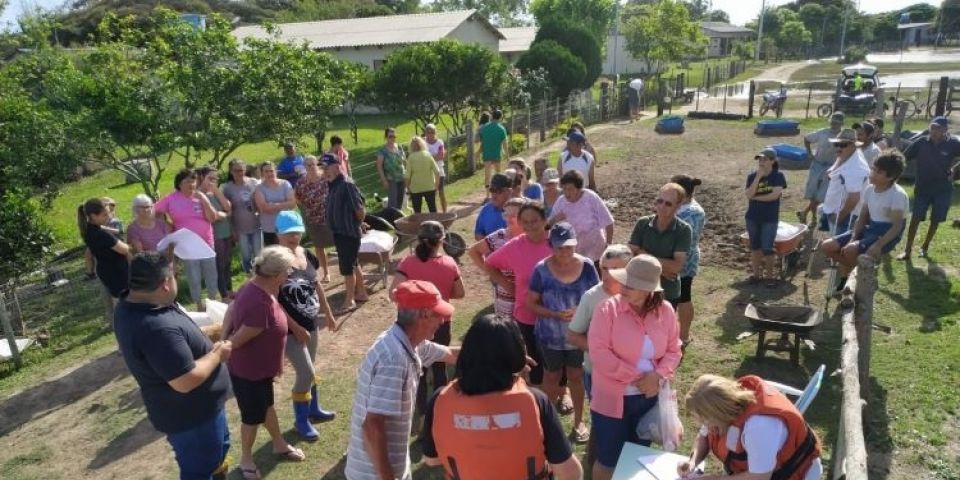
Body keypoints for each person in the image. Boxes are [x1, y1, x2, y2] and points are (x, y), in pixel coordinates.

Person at [420, 315, 583, 480]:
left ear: (467, 351)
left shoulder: (439, 399)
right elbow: (570, 472)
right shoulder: (535, 401)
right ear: (517, 354)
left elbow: (432, 460)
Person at [114, 253, 232, 480]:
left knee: (215, 456)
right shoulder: (156, 329)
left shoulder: (135, 303)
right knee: (199, 469)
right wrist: (217, 354)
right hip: (192, 417)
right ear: (165, 284)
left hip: (199, 410)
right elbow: (185, 380)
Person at [345, 280, 458, 480]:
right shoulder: (394, 359)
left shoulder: (409, 343)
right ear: (423, 314)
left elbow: (451, 354)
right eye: (438, 314)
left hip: (392, 466)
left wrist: (508, 355)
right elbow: (372, 426)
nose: (442, 321)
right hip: (374, 475)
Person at [589, 254, 682, 480]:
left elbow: (674, 349)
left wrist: (658, 376)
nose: (624, 287)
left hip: (648, 399)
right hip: (611, 400)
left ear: (650, 290)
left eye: (633, 284)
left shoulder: (666, 311)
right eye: (625, 280)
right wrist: (640, 378)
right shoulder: (606, 310)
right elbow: (599, 353)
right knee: (608, 459)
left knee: (637, 457)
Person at [222, 245, 305, 479]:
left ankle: (278, 443)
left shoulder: (258, 285)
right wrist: (224, 343)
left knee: (266, 406)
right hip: (249, 371)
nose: (290, 274)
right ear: (277, 274)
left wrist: (223, 336)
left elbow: (231, 307)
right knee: (252, 417)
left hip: (260, 370)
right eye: (288, 270)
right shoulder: (259, 303)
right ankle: (246, 459)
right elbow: (237, 341)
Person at [526, 222, 600, 444]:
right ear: (551, 246)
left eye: (569, 246)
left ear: (576, 244)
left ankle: (579, 421)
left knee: (576, 377)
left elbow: (597, 298)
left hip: (578, 338)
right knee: (551, 377)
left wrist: (581, 311)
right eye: (559, 247)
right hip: (550, 337)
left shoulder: (587, 266)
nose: (565, 252)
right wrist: (554, 315)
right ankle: (544, 421)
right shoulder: (541, 269)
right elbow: (530, 304)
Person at [678, 374, 822, 480]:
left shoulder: (759, 427)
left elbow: (761, 476)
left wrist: (716, 479)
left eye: (704, 419)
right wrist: (692, 461)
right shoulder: (726, 405)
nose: (704, 424)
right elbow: (704, 436)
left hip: (795, 474)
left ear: (718, 413)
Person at [389, 220, 465, 418]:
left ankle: (422, 415)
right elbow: (460, 293)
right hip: (440, 322)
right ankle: (442, 411)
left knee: (418, 369)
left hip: (413, 324)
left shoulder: (407, 263)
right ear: (442, 240)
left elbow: (393, 293)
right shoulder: (450, 263)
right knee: (439, 366)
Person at [274, 211, 338, 441]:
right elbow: (272, 299)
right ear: (279, 234)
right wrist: (295, 327)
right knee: (305, 371)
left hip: (311, 323)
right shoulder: (275, 260)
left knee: (311, 366)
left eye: (297, 232)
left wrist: (328, 313)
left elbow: (316, 285)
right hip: (290, 328)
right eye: (289, 233)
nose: (294, 237)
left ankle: (313, 410)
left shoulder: (306, 254)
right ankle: (300, 422)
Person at [483, 202, 553, 387]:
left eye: (535, 221)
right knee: (535, 359)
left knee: (556, 357)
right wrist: (507, 284)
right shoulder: (515, 246)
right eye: (525, 222)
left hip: (555, 313)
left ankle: (562, 391)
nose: (530, 226)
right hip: (526, 314)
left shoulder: (556, 244)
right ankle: (538, 395)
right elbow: (489, 263)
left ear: (545, 220)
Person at [824, 151, 909, 286]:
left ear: (890, 177)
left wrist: (878, 245)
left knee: (850, 250)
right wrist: (853, 237)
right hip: (870, 227)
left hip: (886, 233)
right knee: (827, 246)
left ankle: (849, 281)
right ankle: (860, 274)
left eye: (878, 172)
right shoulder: (870, 189)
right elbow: (863, 217)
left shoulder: (897, 195)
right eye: (873, 169)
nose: (872, 174)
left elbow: (897, 227)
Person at [155, 168, 219, 309]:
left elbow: (212, 218)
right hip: (187, 246)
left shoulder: (200, 196)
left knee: (211, 274)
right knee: (194, 277)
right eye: (188, 181)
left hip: (206, 242)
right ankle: (198, 304)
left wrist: (204, 200)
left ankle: (213, 301)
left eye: (194, 181)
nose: (192, 184)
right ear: (179, 184)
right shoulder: (170, 199)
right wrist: (168, 226)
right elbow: (155, 212)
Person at [898, 116, 960, 260]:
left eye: (938, 128)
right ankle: (907, 251)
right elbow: (903, 157)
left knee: (935, 219)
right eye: (932, 127)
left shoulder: (953, 143)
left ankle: (925, 247)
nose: (934, 131)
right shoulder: (921, 142)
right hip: (922, 188)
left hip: (943, 189)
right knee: (915, 219)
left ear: (945, 130)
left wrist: (955, 169)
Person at [628, 183, 692, 305]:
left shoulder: (683, 230)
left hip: (667, 294)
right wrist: (662, 271)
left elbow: (677, 267)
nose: (662, 206)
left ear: (678, 206)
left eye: (668, 204)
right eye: (660, 201)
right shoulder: (643, 223)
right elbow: (630, 255)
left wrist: (644, 254)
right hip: (640, 289)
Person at [467, 197, 527, 319]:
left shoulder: (532, 236)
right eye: (506, 214)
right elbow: (474, 251)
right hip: (505, 298)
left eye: (514, 215)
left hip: (528, 297)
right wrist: (492, 273)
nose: (509, 218)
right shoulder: (499, 236)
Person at [324, 153, 369, 313]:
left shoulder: (346, 184)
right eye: (322, 167)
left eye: (327, 166)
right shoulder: (333, 185)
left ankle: (349, 300)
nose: (324, 170)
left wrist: (357, 223)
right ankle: (361, 292)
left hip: (348, 233)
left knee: (347, 267)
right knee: (353, 263)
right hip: (340, 232)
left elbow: (359, 210)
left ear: (337, 166)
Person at [79, 198, 131, 321]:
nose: (109, 217)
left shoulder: (89, 231)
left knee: (118, 299)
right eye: (104, 214)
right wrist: (129, 245)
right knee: (124, 300)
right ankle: (124, 324)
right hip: (116, 271)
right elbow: (124, 249)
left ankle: (122, 325)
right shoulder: (101, 234)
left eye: (109, 213)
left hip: (106, 269)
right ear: (93, 216)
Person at [549, 170, 615, 265]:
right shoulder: (561, 202)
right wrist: (555, 220)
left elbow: (608, 221)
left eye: (570, 189)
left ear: (579, 188)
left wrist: (608, 245)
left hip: (596, 253)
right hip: (572, 255)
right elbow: (547, 226)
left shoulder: (591, 198)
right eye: (564, 189)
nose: (567, 193)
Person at [744, 148, 787, 287]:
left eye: (765, 159)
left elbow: (774, 196)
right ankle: (756, 275)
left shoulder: (778, 176)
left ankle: (769, 277)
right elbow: (748, 194)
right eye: (760, 159)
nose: (761, 162)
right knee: (755, 247)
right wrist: (758, 177)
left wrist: (755, 197)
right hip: (752, 217)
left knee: (768, 248)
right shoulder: (752, 176)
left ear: (772, 161)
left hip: (769, 218)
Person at [671, 175, 705, 347]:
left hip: (684, 260)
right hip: (681, 258)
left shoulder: (691, 213)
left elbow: (681, 239)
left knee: (683, 296)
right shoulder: (684, 207)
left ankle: (683, 336)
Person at [798, 112, 844, 225]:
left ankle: (805, 212)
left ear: (841, 124)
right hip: (817, 164)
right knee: (813, 192)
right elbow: (807, 138)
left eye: (836, 123)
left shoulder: (843, 137)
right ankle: (813, 217)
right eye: (832, 122)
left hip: (832, 167)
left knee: (822, 194)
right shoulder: (823, 132)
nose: (834, 125)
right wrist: (809, 153)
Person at [821, 129, 869, 236]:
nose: (838, 148)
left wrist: (839, 217)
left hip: (847, 216)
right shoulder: (848, 155)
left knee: (838, 248)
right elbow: (831, 171)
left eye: (843, 145)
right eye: (836, 144)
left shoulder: (855, 169)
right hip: (836, 209)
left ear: (853, 146)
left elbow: (854, 198)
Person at [295, 155, 333, 283]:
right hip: (313, 218)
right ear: (304, 167)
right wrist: (308, 207)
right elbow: (297, 198)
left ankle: (348, 268)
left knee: (339, 242)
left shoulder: (326, 177)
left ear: (317, 164)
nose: (311, 167)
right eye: (308, 165)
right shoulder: (301, 182)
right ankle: (326, 272)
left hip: (331, 216)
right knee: (319, 246)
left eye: (313, 164)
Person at [198, 166, 234, 301]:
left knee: (227, 262)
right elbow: (211, 216)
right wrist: (224, 214)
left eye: (216, 178)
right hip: (214, 235)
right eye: (210, 178)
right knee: (220, 264)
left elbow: (228, 208)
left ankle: (230, 290)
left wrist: (216, 191)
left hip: (226, 232)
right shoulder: (199, 196)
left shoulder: (216, 193)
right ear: (202, 177)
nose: (213, 181)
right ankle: (224, 294)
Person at [222, 159, 261, 274]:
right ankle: (249, 275)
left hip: (256, 225)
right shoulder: (227, 188)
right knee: (246, 255)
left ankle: (260, 277)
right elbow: (228, 211)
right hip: (240, 228)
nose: (239, 173)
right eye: (236, 170)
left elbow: (260, 201)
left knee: (259, 254)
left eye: (241, 170)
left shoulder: (254, 182)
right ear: (231, 171)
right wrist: (232, 230)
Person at [254, 161, 296, 246]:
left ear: (276, 171)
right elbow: (264, 208)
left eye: (271, 171)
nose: (269, 173)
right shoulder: (259, 188)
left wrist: (273, 205)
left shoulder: (285, 184)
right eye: (266, 171)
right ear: (262, 173)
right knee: (273, 255)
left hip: (286, 226)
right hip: (269, 228)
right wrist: (284, 204)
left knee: (289, 253)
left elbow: (293, 204)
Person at [84, 197, 123, 279]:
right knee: (88, 253)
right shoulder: (97, 229)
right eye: (105, 214)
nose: (109, 215)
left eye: (110, 212)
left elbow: (119, 231)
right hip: (109, 263)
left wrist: (105, 228)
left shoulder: (115, 221)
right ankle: (90, 272)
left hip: (114, 243)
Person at [405, 136, 441, 213]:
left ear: (411, 146)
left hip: (415, 189)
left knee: (417, 212)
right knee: (433, 210)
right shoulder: (428, 155)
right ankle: (436, 224)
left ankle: (419, 225)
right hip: (429, 187)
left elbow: (407, 177)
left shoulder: (411, 158)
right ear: (422, 144)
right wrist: (436, 186)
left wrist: (408, 189)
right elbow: (437, 172)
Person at [473, 172, 513, 240]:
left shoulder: (517, 211)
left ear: (509, 191)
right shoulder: (486, 210)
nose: (494, 195)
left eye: (498, 191)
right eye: (492, 190)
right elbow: (478, 234)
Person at [376, 127, 407, 211]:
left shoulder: (399, 147)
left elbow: (404, 162)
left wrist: (407, 176)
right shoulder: (382, 151)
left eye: (394, 136)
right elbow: (379, 166)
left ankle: (398, 220)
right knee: (392, 204)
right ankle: (391, 220)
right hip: (391, 180)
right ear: (386, 137)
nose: (393, 138)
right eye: (390, 136)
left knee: (400, 201)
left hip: (402, 178)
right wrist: (384, 180)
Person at [479, 109, 509, 192]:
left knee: (487, 175)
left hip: (487, 154)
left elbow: (483, 142)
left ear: (492, 116)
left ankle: (487, 195)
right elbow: (505, 144)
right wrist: (507, 156)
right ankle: (498, 192)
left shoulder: (484, 128)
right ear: (500, 117)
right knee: (498, 174)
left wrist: (478, 153)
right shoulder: (501, 129)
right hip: (497, 154)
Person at [424, 124, 448, 212]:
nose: (431, 134)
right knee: (431, 194)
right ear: (425, 133)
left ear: (435, 132)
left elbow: (441, 156)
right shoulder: (423, 143)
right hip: (428, 172)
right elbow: (424, 158)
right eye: (429, 132)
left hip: (439, 171)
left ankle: (445, 212)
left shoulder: (440, 142)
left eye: (433, 132)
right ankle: (434, 213)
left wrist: (429, 157)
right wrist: (434, 156)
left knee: (441, 192)